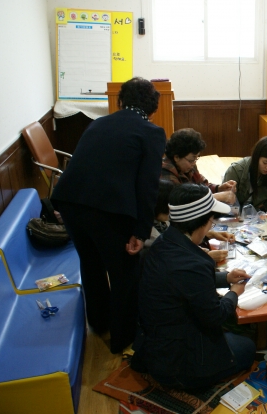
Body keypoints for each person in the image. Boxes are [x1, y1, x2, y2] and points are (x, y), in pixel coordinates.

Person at [52, 77, 166, 353]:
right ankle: (122, 338)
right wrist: (140, 231)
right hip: (107, 211)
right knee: (125, 273)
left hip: (69, 202)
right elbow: (147, 187)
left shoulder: (98, 123)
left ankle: (99, 322)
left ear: (121, 101)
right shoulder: (151, 132)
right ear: (153, 109)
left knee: (90, 263)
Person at [131, 184, 256, 389]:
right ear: (203, 222)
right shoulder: (193, 264)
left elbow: (185, 284)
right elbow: (215, 316)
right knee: (248, 347)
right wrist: (234, 292)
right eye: (211, 220)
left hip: (155, 343)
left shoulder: (163, 242)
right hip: (177, 363)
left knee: (232, 339)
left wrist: (226, 278)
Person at [161, 128, 236, 204]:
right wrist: (217, 196)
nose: (193, 163)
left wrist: (218, 188)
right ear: (176, 157)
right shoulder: (165, 174)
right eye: (191, 160)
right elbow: (182, 202)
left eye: (196, 159)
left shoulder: (188, 167)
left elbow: (202, 186)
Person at [223, 136, 267, 215]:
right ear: (256, 157)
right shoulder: (235, 170)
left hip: (253, 216)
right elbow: (226, 201)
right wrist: (237, 217)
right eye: (265, 162)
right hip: (232, 215)